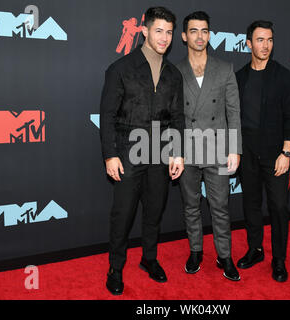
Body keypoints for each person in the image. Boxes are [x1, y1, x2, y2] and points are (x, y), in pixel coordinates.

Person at [100, 7, 185, 295]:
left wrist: (177, 152)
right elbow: (108, 115)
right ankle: (115, 267)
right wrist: (110, 155)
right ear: (145, 31)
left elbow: (177, 118)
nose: (164, 37)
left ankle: (149, 259)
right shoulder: (121, 68)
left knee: (154, 211)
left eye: (169, 32)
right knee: (123, 214)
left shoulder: (174, 74)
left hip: (161, 154)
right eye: (159, 30)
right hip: (127, 153)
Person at [176, 11, 242, 281]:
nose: (199, 36)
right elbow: (171, 116)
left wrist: (235, 149)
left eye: (204, 31)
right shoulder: (175, 71)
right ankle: (195, 251)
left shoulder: (225, 68)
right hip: (186, 150)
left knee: (220, 206)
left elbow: (233, 111)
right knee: (191, 205)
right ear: (184, 36)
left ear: (209, 35)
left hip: (217, 149)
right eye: (194, 31)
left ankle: (224, 256)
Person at [235, 20, 290, 282]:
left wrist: (286, 154)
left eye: (270, 40)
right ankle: (255, 250)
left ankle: (279, 260)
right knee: (250, 204)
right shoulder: (239, 77)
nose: (266, 45)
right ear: (248, 43)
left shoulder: (284, 77)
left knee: (278, 207)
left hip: (275, 155)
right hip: (247, 153)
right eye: (260, 40)